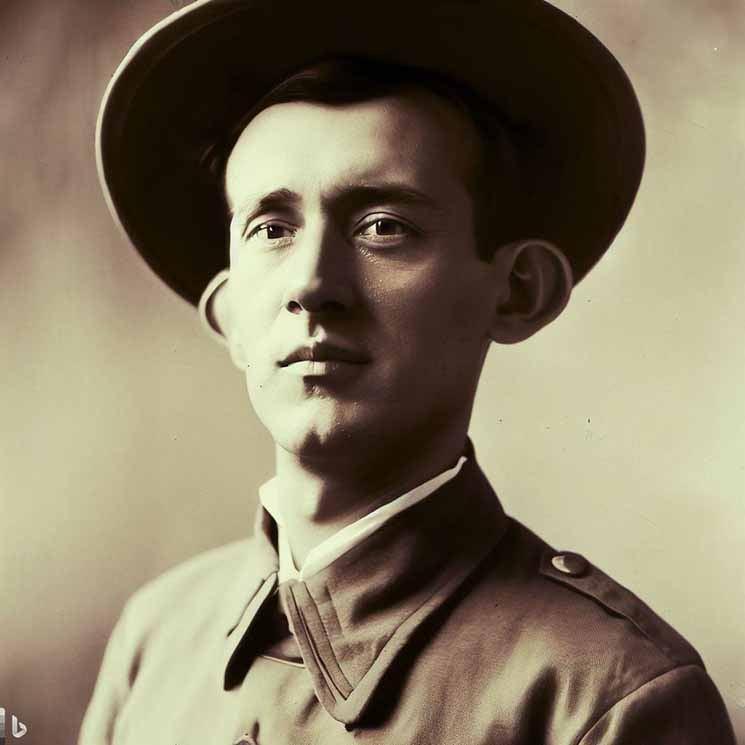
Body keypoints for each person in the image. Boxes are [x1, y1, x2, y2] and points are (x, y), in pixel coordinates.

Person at [80, 0, 736, 743]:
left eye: (383, 227)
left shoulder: (600, 698)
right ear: (230, 314)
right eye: (271, 228)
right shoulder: (156, 638)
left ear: (517, 291)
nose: (311, 284)